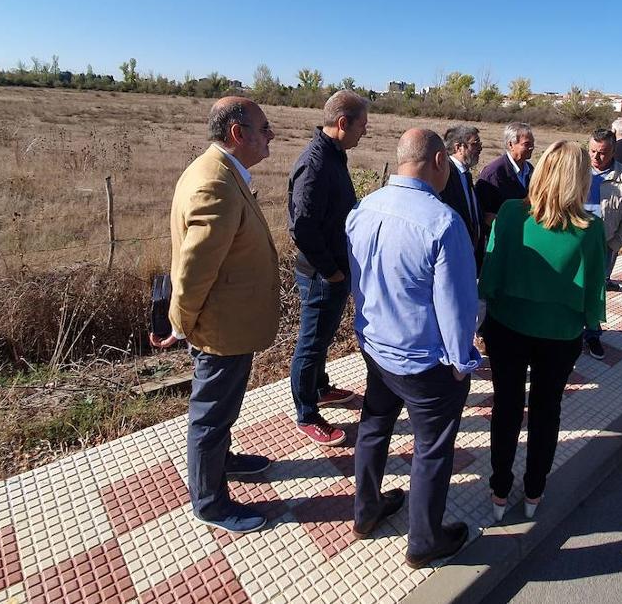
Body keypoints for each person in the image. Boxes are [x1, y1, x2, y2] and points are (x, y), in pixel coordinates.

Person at [346, 128, 482, 569]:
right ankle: (424, 541)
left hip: (376, 348)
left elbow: (358, 282)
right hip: (425, 363)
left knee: (373, 426)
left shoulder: (364, 208)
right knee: (432, 449)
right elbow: (456, 305)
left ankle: (365, 511)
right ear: (440, 161)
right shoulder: (443, 222)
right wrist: (461, 362)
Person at [149, 97, 279, 534]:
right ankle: (210, 503)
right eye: (264, 128)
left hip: (229, 324)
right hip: (221, 330)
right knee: (210, 416)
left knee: (222, 410)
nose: (271, 136)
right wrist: (180, 324)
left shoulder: (219, 170)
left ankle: (224, 461)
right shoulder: (216, 183)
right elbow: (194, 270)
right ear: (238, 134)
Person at [479, 140, 607, 520]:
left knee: (506, 406)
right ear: (579, 179)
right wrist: (591, 324)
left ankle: (499, 488)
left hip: (507, 327)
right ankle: (534, 490)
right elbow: (594, 289)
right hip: (560, 334)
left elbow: (490, 274)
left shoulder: (510, 212)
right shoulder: (590, 228)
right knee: (546, 410)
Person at [287, 90, 369, 446]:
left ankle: (320, 388)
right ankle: (306, 413)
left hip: (333, 270)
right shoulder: (316, 163)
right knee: (311, 342)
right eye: (362, 125)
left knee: (321, 337)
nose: (365, 131)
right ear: (342, 123)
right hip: (321, 274)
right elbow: (302, 228)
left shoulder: (334, 155)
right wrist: (331, 271)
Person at [582, 129, 622, 359]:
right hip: (574, 242)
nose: (596, 157)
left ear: (614, 151)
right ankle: (569, 332)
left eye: (602, 152)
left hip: (603, 245)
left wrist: (614, 244)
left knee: (595, 292)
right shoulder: (577, 171)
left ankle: (592, 334)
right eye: (592, 151)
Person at [439, 125, 485, 270]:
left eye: (480, 144)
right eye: (475, 144)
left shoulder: (466, 175)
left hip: (470, 258)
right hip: (452, 257)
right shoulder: (445, 173)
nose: (480, 148)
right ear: (458, 147)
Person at [475, 122, 536, 232]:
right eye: (526, 144)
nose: (532, 147)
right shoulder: (493, 174)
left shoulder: (530, 170)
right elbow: (485, 215)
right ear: (511, 145)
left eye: (533, 143)